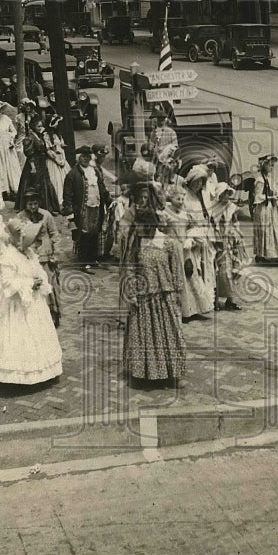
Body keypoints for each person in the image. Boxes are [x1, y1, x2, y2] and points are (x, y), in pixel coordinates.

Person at [0, 189, 64, 385]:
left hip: (32, 302)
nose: (31, 244)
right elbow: (9, 282)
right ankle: (14, 375)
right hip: (15, 305)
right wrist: (29, 283)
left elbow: (38, 271)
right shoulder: (8, 257)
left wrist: (39, 280)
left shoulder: (29, 254)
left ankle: (39, 370)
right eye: (27, 241)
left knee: (36, 335)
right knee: (15, 338)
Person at [121, 206, 187, 383]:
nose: (138, 229)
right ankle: (145, 373)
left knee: (166, 335)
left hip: (163, 298)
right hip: (142, 299)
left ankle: (167, 372)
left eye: (141, 225)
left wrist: (177, 294)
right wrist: (132, 293)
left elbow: (176, 271)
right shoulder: (136, 243)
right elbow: (130, 269)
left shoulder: (167, 243)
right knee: (143, 337)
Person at [7, 188, 63, 327]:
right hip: (29, 254)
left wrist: (55, 254)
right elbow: (16, 237)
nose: (33, 207)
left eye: (35, 204)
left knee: (49, 284)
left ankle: (52, 314)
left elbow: (55, 235)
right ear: (25, 204)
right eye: (30, 204)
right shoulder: (20, 217)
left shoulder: (46, 215)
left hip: (45, 254)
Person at [180, 165, 218, 319]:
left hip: (202, 237)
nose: (197, 185)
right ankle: (188, 309)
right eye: (195, 182)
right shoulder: (184, 197)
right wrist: (190, 235)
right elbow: (183, 219)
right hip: (190, 238)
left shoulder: (199, 196)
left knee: (203, 270)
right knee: (191, 272)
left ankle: (202, 305)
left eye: (200, 182)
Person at [62, 146, 107, 273]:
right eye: (83, 157)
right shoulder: (72, 174)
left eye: (87, 157)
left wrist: (108, 200)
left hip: (96, 207)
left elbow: (102, 188)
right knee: (84, 234)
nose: (85, 159)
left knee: (95, 232)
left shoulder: (95, 171)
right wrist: (69, 213)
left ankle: (92, 258)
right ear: (78, 159)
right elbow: (67, 195)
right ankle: (84, 261)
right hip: (82, 209)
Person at [210, 182, 247, 311]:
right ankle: (214, 300)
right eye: (223, 194)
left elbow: (235, 222)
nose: (226, 196)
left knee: (232, 270)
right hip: (218, 241)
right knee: (218, 270)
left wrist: (237, 233)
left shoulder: (231, 207)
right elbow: (211, 224)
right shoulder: (213, 208)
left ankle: (230, 299)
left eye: (228, 193)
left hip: (230, 241)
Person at [16, 116, 59, 212]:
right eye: (38, 126)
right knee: (34, 183)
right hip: (34, 163)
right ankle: (31, 206)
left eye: (41, 126)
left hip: (41, 163)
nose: (41, 128)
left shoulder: (39, 136)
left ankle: (47, 206)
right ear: (34, 126)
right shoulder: (30, 137)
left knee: (45, 182)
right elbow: (29, 153)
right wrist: (32, 166)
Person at [251, 155, 278, 263]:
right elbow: (257, 196)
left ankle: (271, 254)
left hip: (270, 207)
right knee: (265, 230)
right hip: (263, 208)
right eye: (270, 166)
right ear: (264, 166)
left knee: (272, 230)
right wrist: (270, 197)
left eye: (273, 166)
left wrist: (277, 195)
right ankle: (263, 254)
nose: (271, 168)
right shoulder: (260, 180)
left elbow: (274, 190)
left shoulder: (269, 178)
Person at [0, 100, 21, 201]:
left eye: (0, 109)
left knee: (11, 166)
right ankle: (3, 190)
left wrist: (11, 138)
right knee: (0, 167)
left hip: (8, 145)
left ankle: (14, 189)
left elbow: (13, 131)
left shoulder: (6, 118)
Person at [44, 115, 71, 202]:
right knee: (55, 179)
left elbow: (61, 145)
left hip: (61, 157)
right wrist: (56, 159)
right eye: (56, 124)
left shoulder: (58, 135)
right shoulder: (47, 136)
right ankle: (56, 199)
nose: (57, 125)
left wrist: (62, 149)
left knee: (65, 178)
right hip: (53, 160)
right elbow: (48, 150)